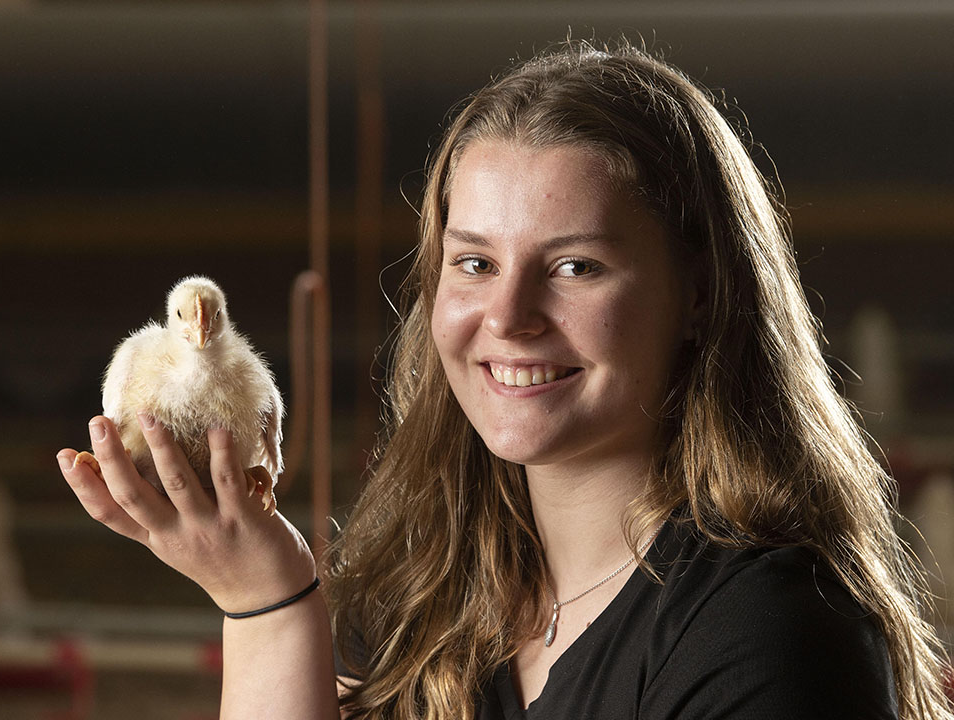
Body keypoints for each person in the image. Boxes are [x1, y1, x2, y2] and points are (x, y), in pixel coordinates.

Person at [56, 40, 952, 719]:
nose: (508, 317)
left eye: (574, 268)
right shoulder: (417, 589)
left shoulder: (770, 637)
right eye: (475, 263)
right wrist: (263, 604)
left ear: (699, 294)